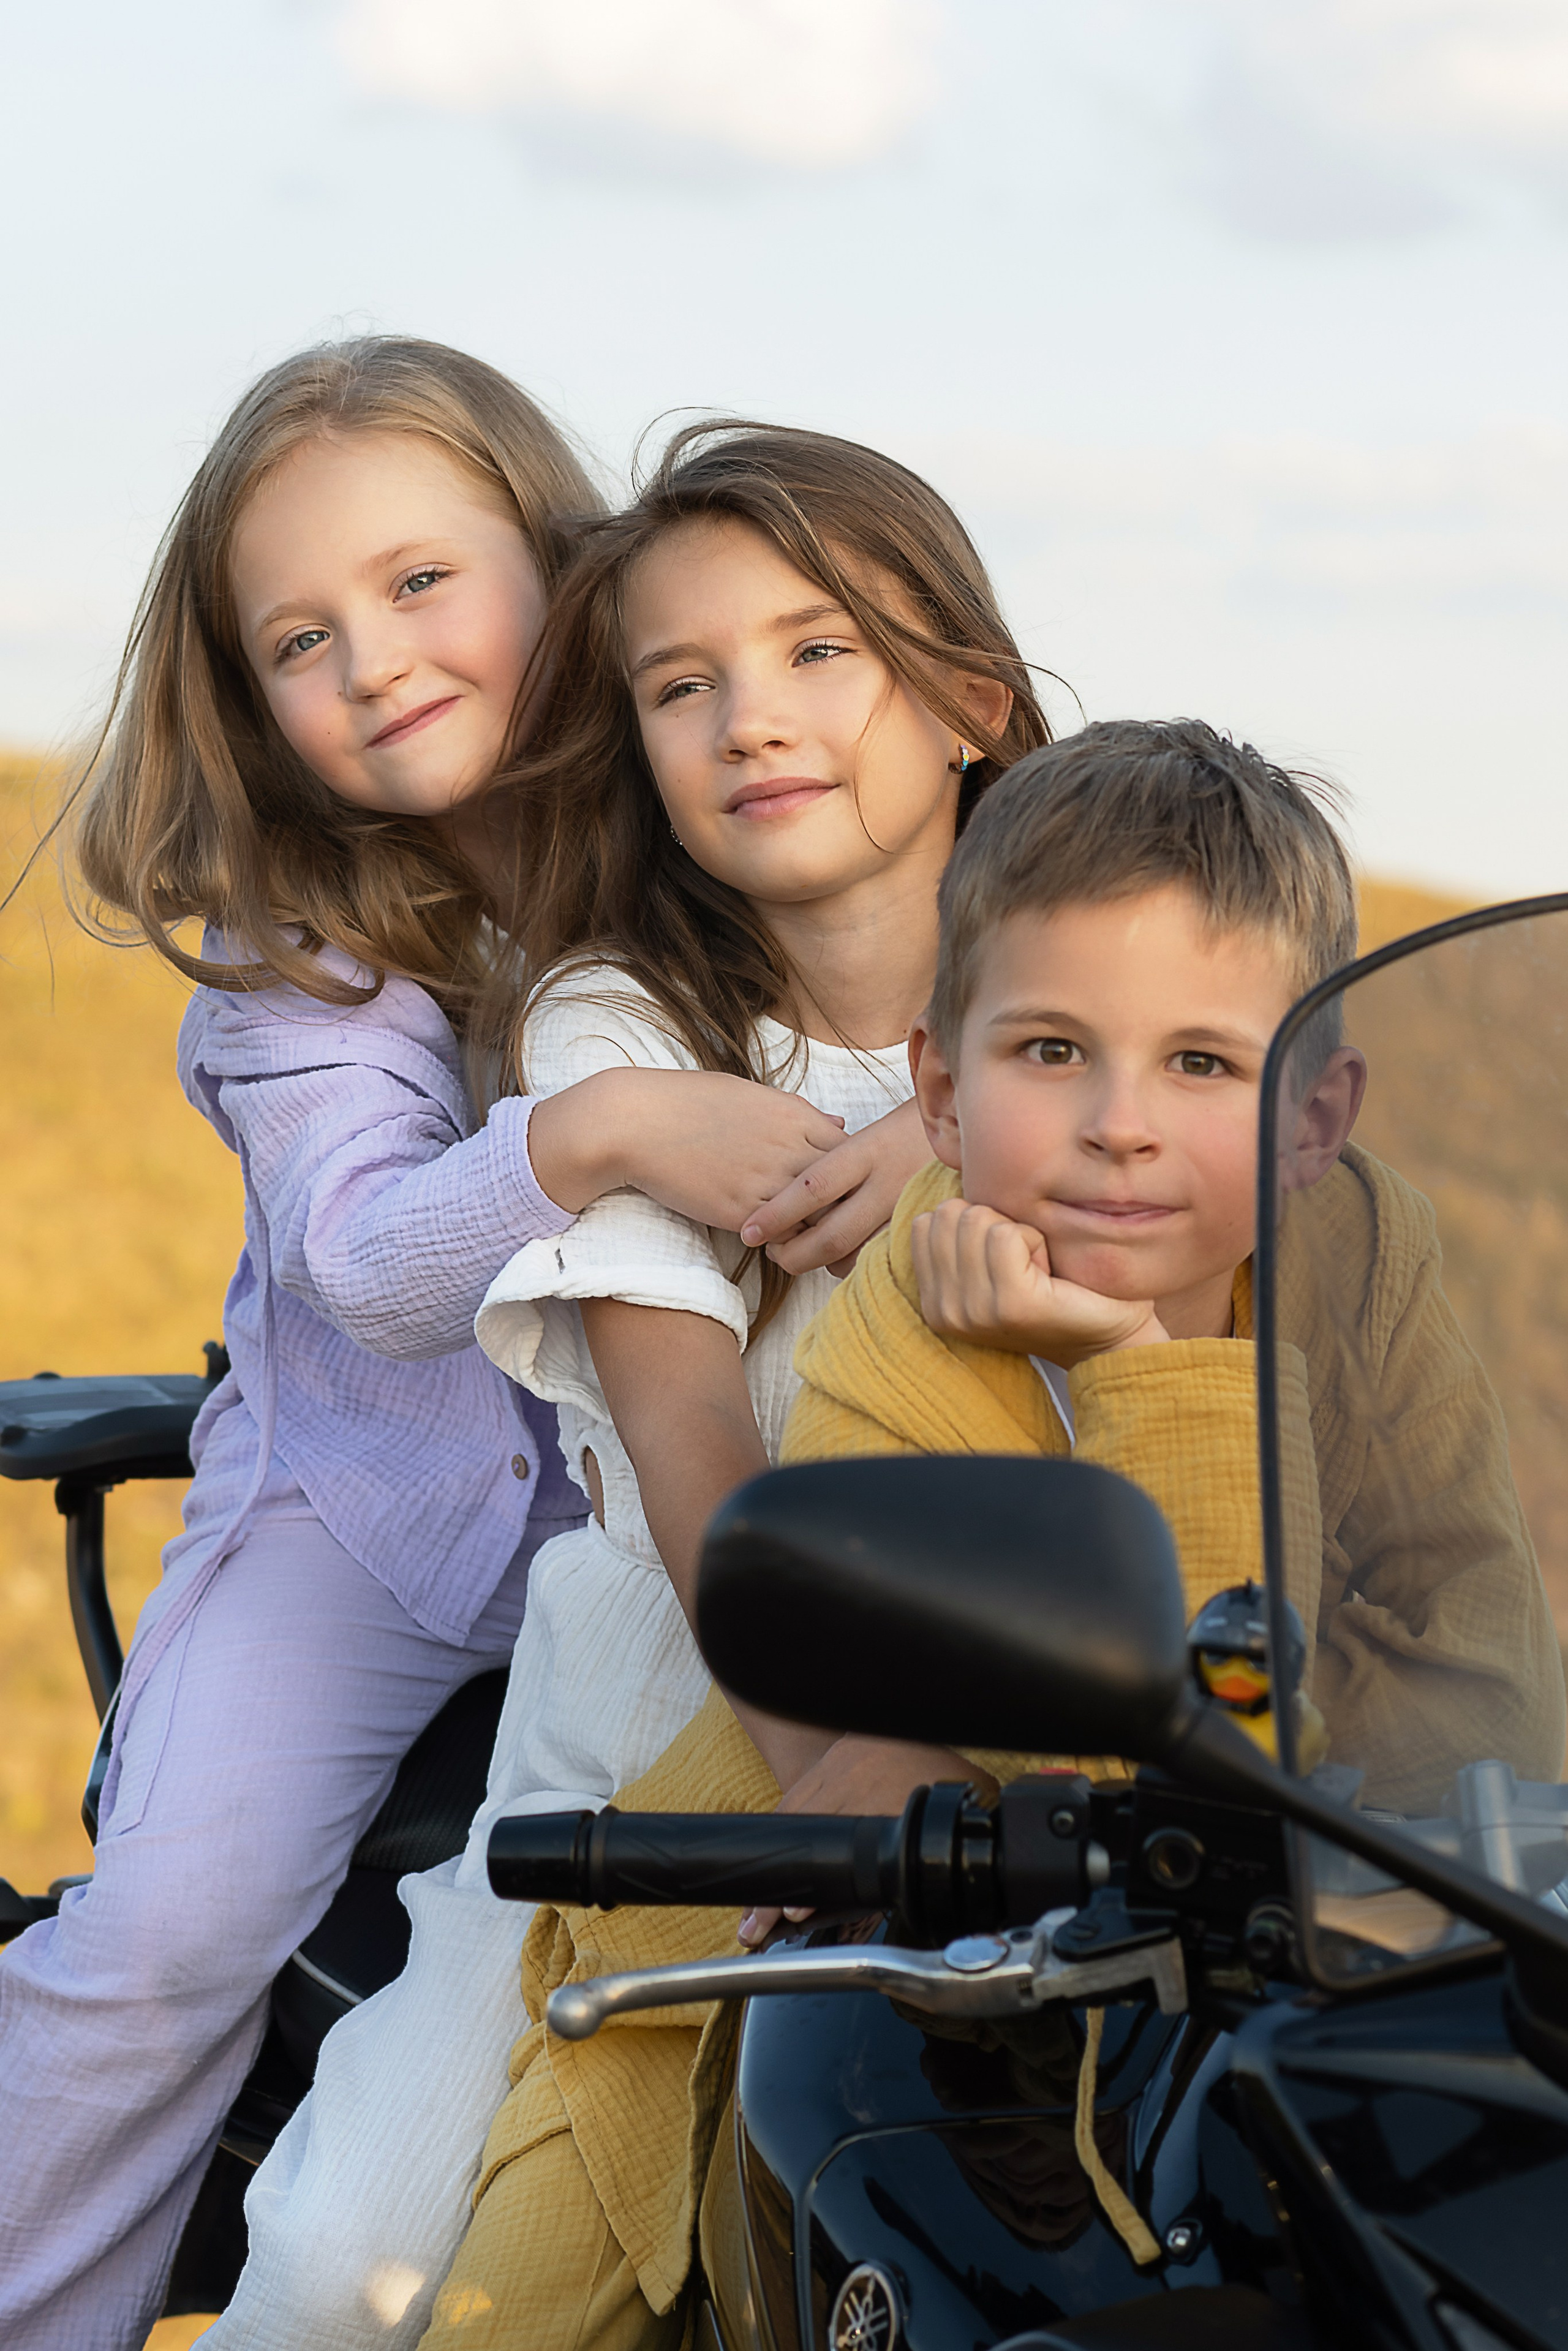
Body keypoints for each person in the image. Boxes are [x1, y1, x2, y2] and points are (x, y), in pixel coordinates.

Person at [424, 719, 1566, 2350]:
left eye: (1201, 1064)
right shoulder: (919, 1288)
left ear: (1316, 1120)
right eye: (1051, 1054)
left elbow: (1476, 1645)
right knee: (510, 2303)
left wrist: (1429, 1800)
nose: (1121, 1125)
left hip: (1305, 1918)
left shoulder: (1376, 1257)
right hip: (834, 1905)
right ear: (943, 1092)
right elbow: (1154, 1685)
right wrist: (1133, 1368)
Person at [0, 341, 903, 2351]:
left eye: (424, 583)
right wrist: (591, 1130)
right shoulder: (291, 953)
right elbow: (369, 1263)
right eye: (299, 635)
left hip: (645, 1517)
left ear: (557, 570)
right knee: (173, 1930)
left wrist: (940, 1121)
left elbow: (964, 979)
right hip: (368, 1508)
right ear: (249, 702)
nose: (375, 659)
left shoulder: (708, 822)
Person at [204, 420, 1049, 2348]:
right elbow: (698, 1466)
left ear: (974, 701)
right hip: (655, 1767)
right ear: (635, 750)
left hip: (1038, 1750)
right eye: (684, 685)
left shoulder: (1077, 1011)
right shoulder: (631, 1025)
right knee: (364, 2269)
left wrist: (965, 1117)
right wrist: (838, 1792)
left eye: (820, 650)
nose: (755, 716)